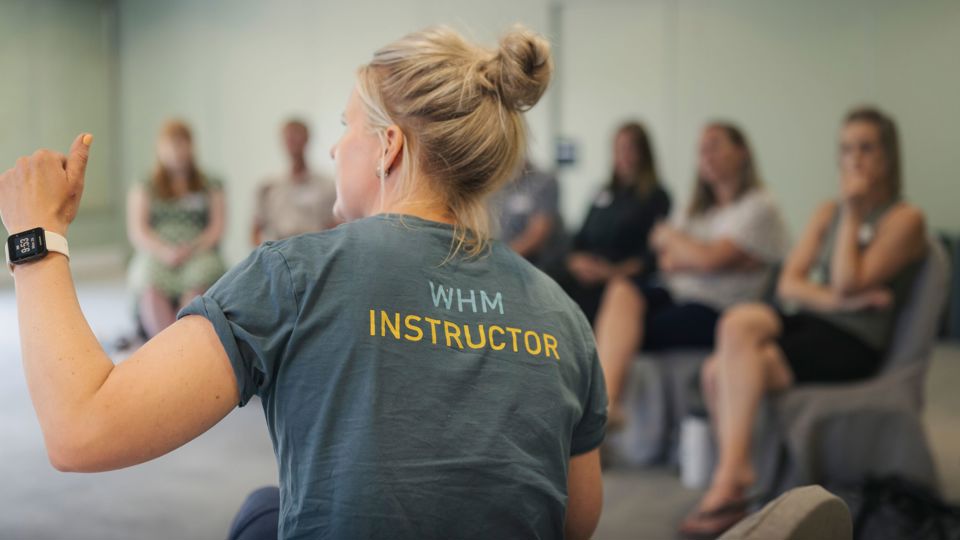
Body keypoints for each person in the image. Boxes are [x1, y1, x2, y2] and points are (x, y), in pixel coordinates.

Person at [0, 25, 605, 540]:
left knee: (262, 514)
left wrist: (36, 235)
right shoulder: (563, 315)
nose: (337, 144)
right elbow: (576, 517)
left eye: (347, 127)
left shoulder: (297, 274)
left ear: (388, 147)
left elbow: (82, 429)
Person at [680, 107, 926, 538]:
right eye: (847, 149)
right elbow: (791, 285)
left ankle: (729, 485)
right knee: (738, 321)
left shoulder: (904, 219)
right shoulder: (826, 211)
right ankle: (737, 473)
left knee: (717, 370)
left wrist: (852, 211)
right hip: (815, 322)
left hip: (855, 343)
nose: (854, 159)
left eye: (866, 148)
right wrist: (842, 299)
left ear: (888, 156)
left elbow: (852, 277)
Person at [594, 123, 788, 426]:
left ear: (742, 152)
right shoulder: (697, 209)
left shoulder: (759, 205)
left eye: (715, 146)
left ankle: (603, 410)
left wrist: (696, 253)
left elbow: (707, 257)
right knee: (621, 290)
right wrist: (706, 256)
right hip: (678, 294)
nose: (706, 156)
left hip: (721, 309)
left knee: (629, 329)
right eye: (701, 150)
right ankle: (607, 408)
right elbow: (664, 253)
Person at [552, 121, 671, 323]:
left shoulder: (656, 197)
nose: (623, 155)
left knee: (588, 300)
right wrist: (576, 261)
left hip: (619, 276)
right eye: (618, 148)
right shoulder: (602, 192)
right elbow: (580, 236)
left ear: (643, 152)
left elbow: (652, 254)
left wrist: (612, 272)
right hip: (586, 270)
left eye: (629, 148)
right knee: (549, 279)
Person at [126, 120, 227, 339]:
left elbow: (216, 228)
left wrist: (191, 249)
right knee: (149, 283)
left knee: (200, 281)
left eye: (181, 145)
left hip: (198, 249)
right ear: (160, 149)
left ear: (191, 147)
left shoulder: (211, 183)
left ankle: (188, 342)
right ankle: (165, 344)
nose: (176, 152)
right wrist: (164, 251)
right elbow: (138, 230)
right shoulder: (146, 184)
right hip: (158, 250)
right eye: (170, 146)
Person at [251, 118, 337, 246]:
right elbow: (256, 230)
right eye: (289, 137)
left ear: (307, 139)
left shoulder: (327, 186)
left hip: (315, 250)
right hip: (279, 252)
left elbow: (336, 225)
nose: (293, 142)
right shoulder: (268, 187)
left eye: (297, 135)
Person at [488, 159, 566, 269]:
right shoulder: (497, 181)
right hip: (501, 260)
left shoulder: (544, 181)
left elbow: (537, 234)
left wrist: (499, 259)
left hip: (533, 266)